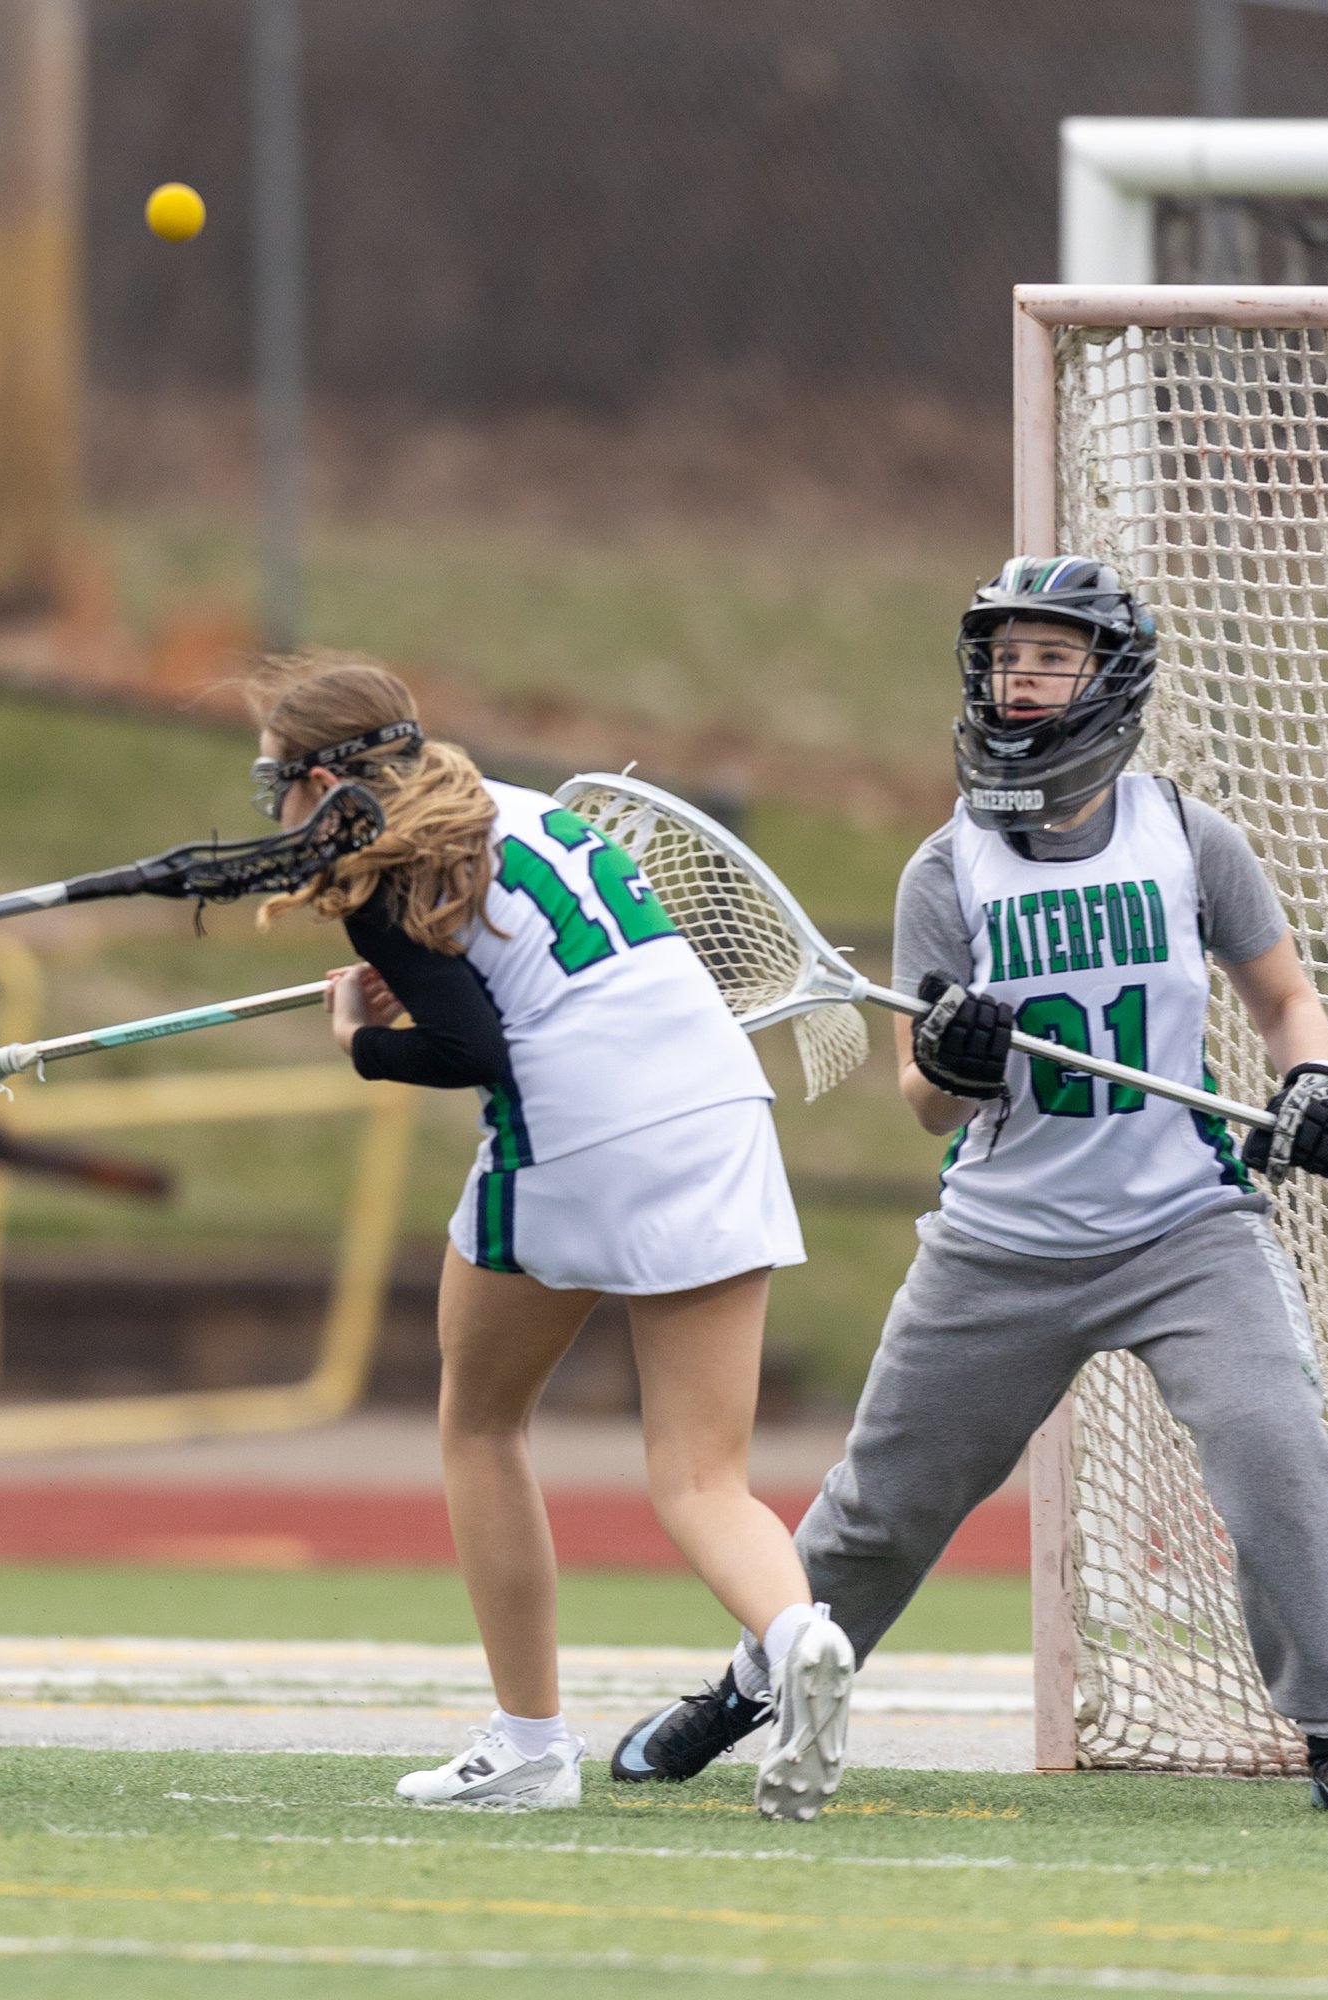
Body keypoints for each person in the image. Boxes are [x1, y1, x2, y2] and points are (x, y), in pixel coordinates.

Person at [608, 556, 1328, 1815]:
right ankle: (751, 1686)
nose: (1019, 677)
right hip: (1003, 1239)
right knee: (881, 1505)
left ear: (1110, 674)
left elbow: (1285, 1000)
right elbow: (923, 1102)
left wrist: (1317, 1079)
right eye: (1003, 655)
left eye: (1050, 654)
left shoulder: (1186, 834)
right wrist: (953, 1058)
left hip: (1186, 1224)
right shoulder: (946, 869)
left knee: (1278, 1450)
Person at [250, 655, 853, 1822]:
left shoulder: (391, 869)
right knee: (699, 1473)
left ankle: (527, 1743)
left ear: (325, 776)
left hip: (579, 1128)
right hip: (722, 1104)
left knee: (479, 1419)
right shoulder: (528, 810)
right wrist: (414, 987)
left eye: (278, 780)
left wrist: (357, 1039)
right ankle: (794, 1635)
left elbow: (475, 1051)